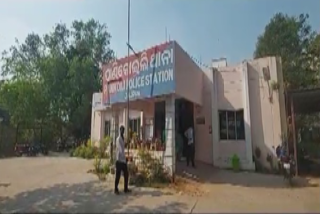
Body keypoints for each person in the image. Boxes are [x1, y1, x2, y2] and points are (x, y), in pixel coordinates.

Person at [114, 126, 131, 195]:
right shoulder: (118, 139)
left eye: (123, 130)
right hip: (119, 160)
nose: (122, 131)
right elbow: (121, 150)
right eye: (121, 130)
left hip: (123, 160)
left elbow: (124, 148)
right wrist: (126, 157)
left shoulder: (123, 138)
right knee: (118, 176)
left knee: (126, 174)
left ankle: (125, 188)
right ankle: (115, 189)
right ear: (119, 130)